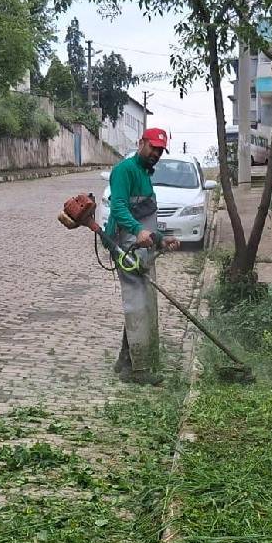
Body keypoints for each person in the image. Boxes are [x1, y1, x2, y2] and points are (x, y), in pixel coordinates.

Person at [104, 128, 180, 385]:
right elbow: (120, 207)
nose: (156, 154)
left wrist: (160, 238)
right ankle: (138, 370)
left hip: (142, 245)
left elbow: (146, 216)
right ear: (141, 143)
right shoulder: (124, 171)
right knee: (137, 301)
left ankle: (125, 359)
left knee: (145, 301)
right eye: (153, 148)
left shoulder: (146, 173)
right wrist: (138, 232)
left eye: (160, 150)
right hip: (127, 246)